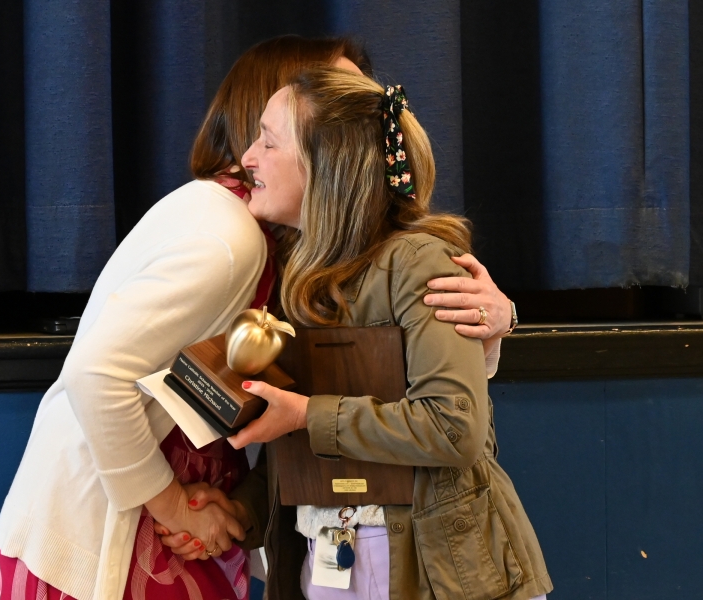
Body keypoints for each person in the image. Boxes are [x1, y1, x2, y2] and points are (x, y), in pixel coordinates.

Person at [214, 67, 552, 599]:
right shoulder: (295, 277)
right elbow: (298, 442)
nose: (246, 159)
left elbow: (453, 430)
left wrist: (307, 414)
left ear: (328, 169)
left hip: (437, 568)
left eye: (268, 141)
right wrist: (242, 509)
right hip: (326, 560)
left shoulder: (418, 263)